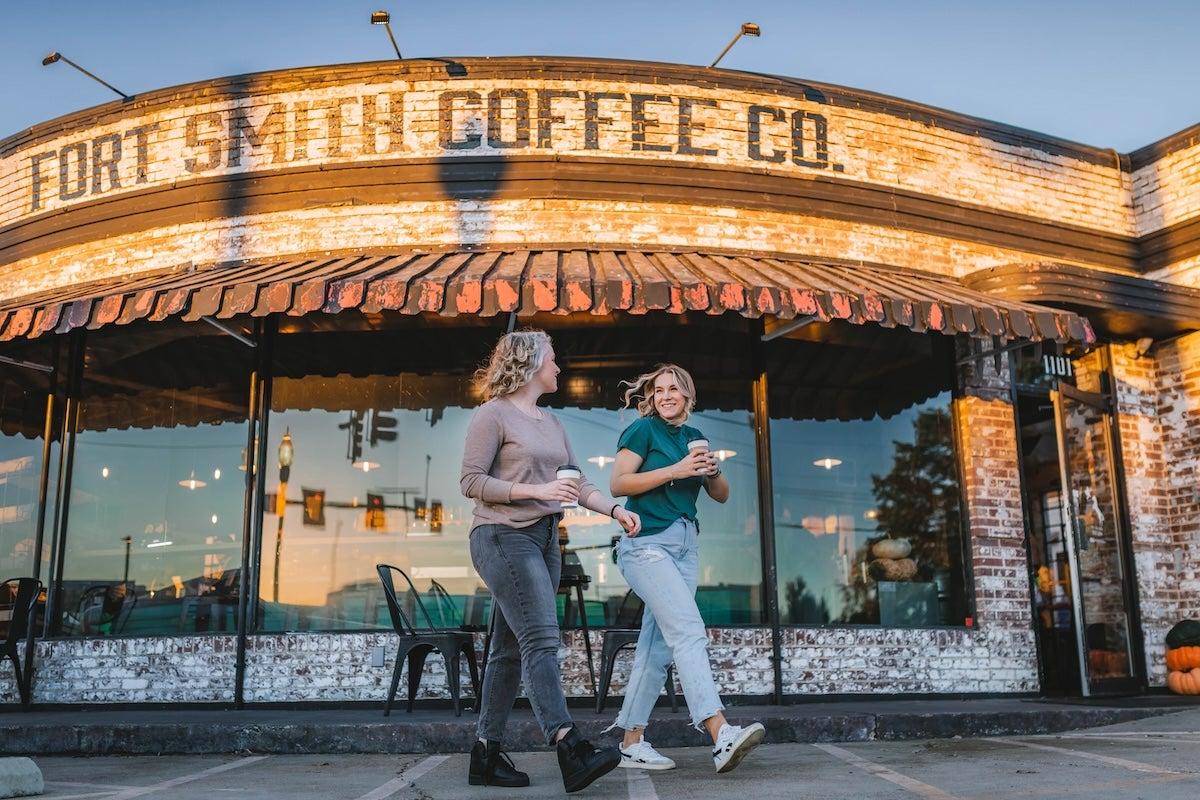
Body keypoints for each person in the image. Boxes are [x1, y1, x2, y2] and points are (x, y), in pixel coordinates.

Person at [460, 329, 642, 793]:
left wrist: (616, 510)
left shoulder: (550, 422)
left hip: (545, 539)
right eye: (553, 359)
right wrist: (536, 491)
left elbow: (575, 482)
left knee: (506, 650)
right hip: (502, 536)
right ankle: (569, 746)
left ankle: (486, 754)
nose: (559, 368)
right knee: (541, 638)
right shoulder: (492, 414)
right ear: (531, 362)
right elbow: (471, 481)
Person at [608, 363, 765, 774]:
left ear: (688, 397)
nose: (665, 396)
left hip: (684, 547)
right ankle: (719, 732)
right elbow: (618, 484)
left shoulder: (695, 439)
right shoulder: (643, 431)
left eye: (673, 389)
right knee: (688, 630)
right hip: (645, 546)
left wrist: (712, 471)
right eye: (659, 390)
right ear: (651, 397)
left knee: (657, 648)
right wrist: (675, 470)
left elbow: (722, 496)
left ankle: (631, 742)